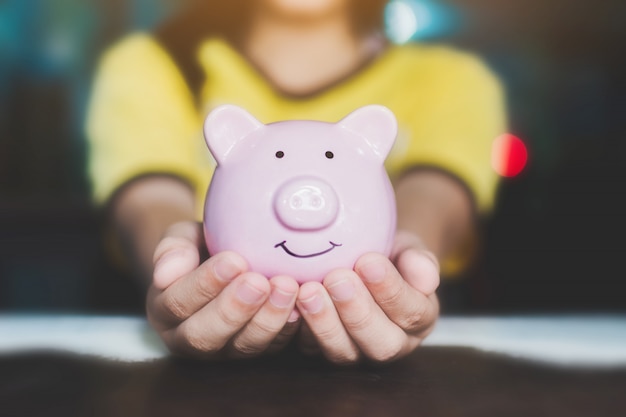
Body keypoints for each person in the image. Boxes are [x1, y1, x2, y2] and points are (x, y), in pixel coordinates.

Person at [85, 0, 507, 363]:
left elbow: (434, 193)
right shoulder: (154, 65)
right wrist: (174, 260)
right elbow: (151, 199)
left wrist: (408, 256)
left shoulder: (451, 79)